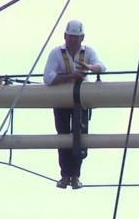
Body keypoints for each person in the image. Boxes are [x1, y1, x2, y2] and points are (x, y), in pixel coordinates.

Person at [43, 20, 106, 189]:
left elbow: (102, 67)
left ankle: (75, 176)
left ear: (82, 38)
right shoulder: (56, 53)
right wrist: (70, 76)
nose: (72, 41)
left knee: (80, 138)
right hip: (61, 99)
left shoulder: (89, 52)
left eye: (76, 38)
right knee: (63, 136)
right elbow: (48, 77)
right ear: (65, 36)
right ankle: (65, 175)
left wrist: (90, 67)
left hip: (81, 99)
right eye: (70, 37)